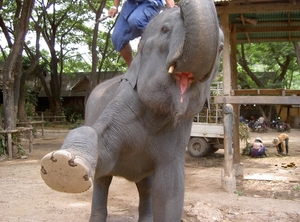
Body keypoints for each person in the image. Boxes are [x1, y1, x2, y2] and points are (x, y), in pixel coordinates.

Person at [108, 0, 175, 67]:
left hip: (150, 2)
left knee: (135, 20)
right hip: (131, 4)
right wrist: (115, 7)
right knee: (117, 38)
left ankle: (161, 36)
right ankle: (132, 69)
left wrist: (171, 5)